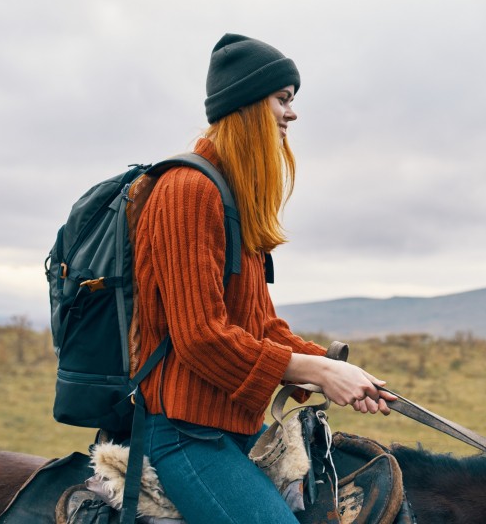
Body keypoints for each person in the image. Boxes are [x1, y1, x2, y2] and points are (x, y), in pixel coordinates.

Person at [132, 32, 394, 523]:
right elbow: (201, 338)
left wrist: (338, 369)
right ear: (249, 104)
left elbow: (260, 326)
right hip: (187, 435)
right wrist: (314, 373)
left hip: (231, 426)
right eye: (283, 99)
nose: (292, 114)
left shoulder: (229, 197)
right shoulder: (188, 190)